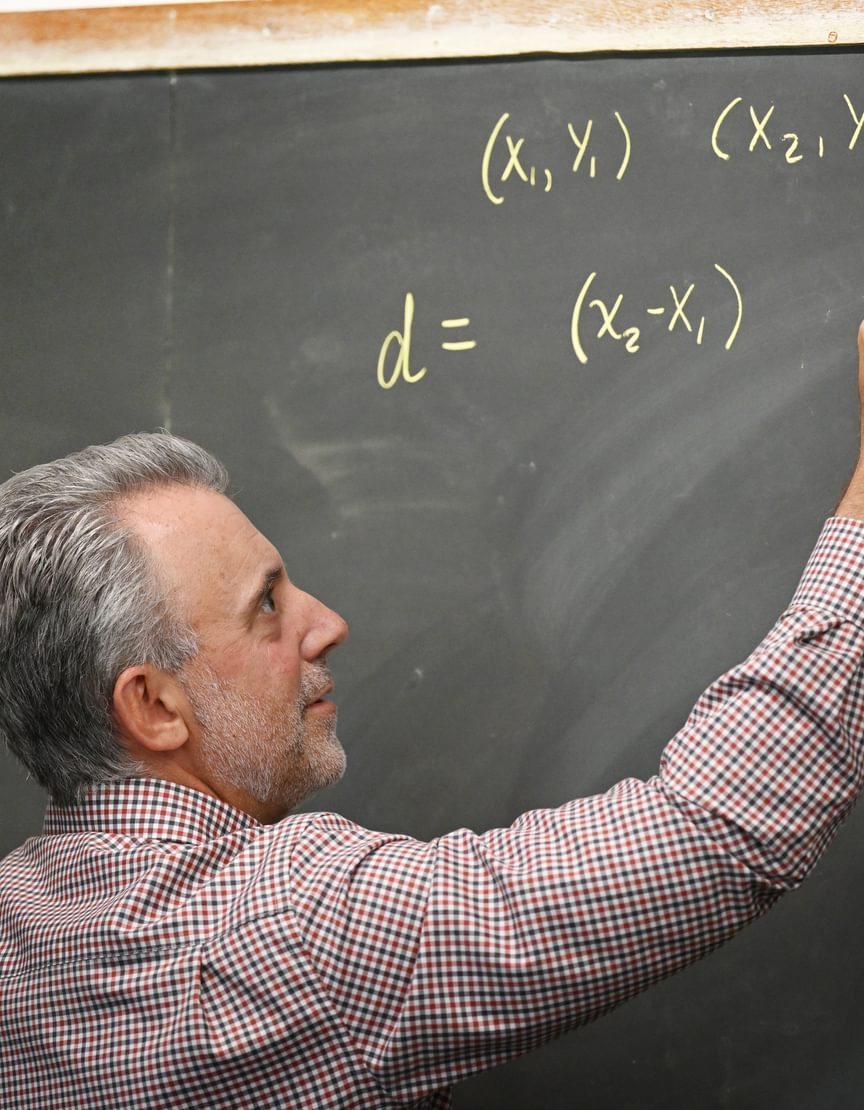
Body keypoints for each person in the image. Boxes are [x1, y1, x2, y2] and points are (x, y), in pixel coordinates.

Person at [2, 329, 864, 1110]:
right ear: (154, 708)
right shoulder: (296, 932)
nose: (327, 623)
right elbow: (715, 827)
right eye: (266, 606)